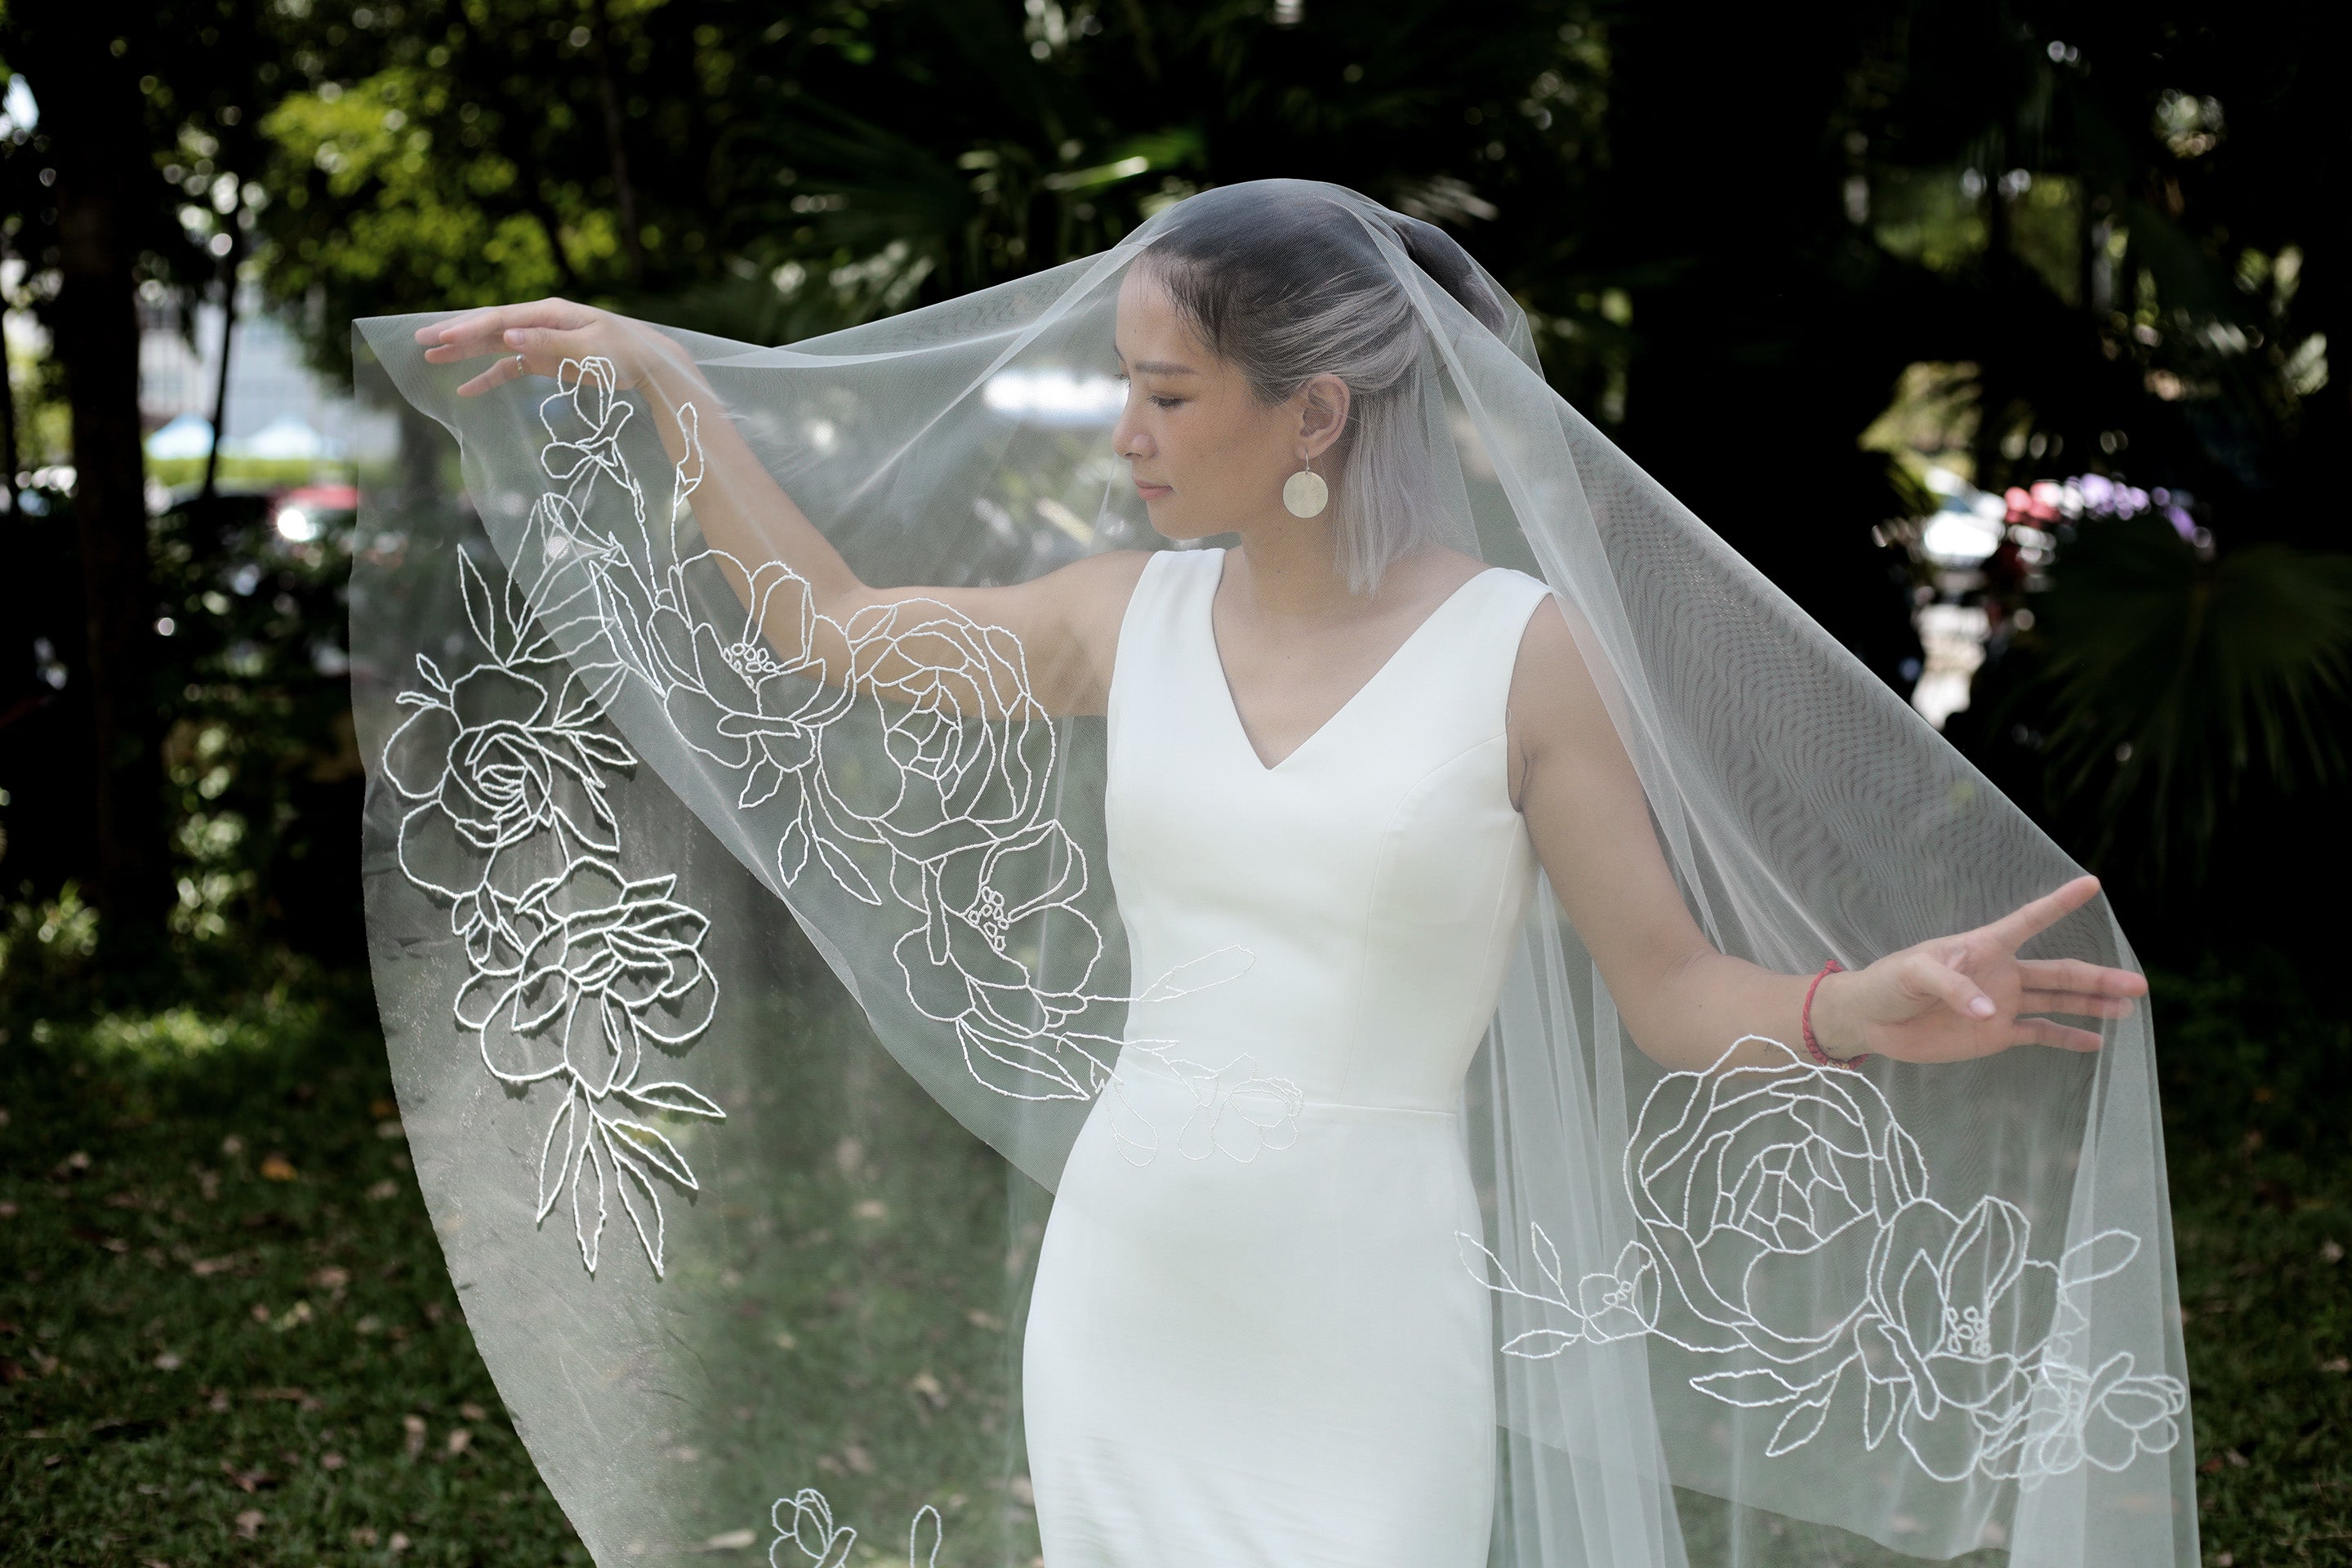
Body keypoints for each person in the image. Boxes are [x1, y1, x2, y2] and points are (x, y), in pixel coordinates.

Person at [358, 180, 2192, 1568]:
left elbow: (1667, 991)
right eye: (1122, 390)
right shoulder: (1109, 620)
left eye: (1165, 394)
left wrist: (1847, 1006)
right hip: (1131, 1283)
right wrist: (668, 380)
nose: (1127, 436)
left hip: (1365, 1311)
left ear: (1310, 415)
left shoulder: (1520, 656)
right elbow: (826, 629)